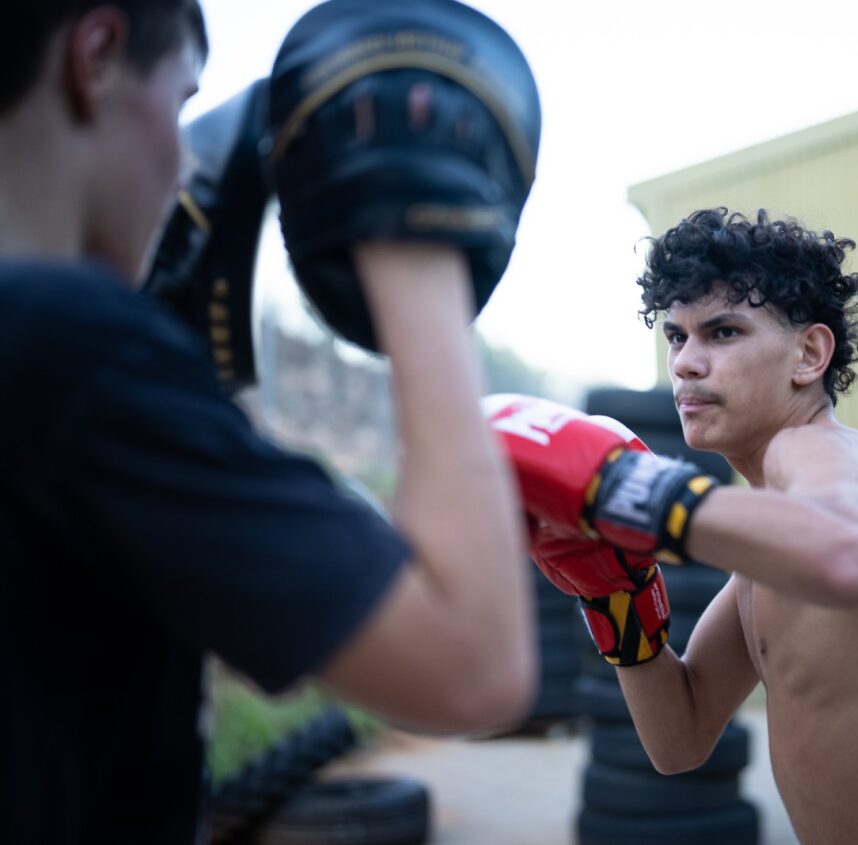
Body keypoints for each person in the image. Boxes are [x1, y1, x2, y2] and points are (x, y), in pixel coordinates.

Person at [0, 1, 539, 842]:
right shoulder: (62, 344)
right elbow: (473, 665)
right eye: (179, 104)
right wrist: (413, 228)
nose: (181, 161)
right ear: (96, 55)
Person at [492, 208, 858, 843]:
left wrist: (633, 494)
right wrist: (615, 596)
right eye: (676, 337)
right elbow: (678, 741)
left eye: (723, 332)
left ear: (809, 353)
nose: (685, 363)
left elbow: (842, 553)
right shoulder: (766, 557)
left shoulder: (824, 453)